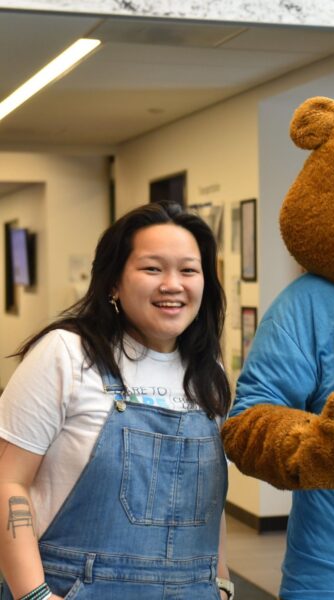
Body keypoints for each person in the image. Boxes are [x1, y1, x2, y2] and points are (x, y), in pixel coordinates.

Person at [0, 202, 234, 600]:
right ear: (113, 283)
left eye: (188, 270)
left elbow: (212, 504)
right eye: (152, 268)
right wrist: (34, 596)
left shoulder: (207, 372)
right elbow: (8, 481)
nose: (172, 284)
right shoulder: (67, 354)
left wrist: (224, 586)